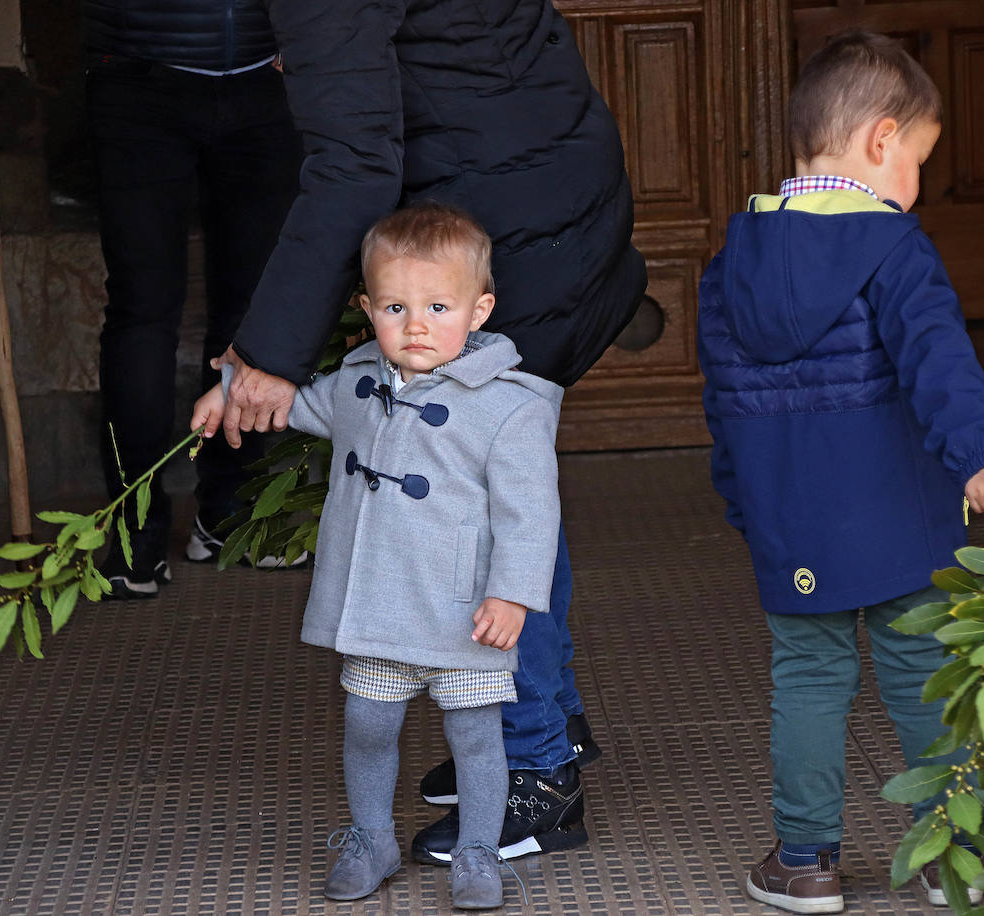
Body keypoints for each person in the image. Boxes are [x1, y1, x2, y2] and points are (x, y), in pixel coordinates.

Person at [208, 0, 648, 859]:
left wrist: (268, 354)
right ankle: (547, 721)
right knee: (506, 487)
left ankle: (535, 773)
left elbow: (354, 167)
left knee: (479, 508)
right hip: (558, 187)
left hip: (495, 245)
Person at [696, 31, 984, 914]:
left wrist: (745, 505)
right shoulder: (895, 247)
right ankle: (951, 853)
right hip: (904, 520)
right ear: (883, 141)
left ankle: (805, 861)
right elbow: (939, 362)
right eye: (920, 159)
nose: (917, 182)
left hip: (791, 521)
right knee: (923, 676)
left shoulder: (729, 267)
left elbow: (724, 406)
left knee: (808, 678)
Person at [192, 202, 561, 908]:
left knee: (477, 736)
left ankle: (479, 852)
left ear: (480, 310)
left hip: (465, 611)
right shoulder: (360, 381)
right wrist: (233, 390)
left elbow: (531, 514)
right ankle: (372, 837)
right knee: (367, 723)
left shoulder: (511, 407)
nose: (415, 324)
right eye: (395, 306)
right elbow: (292, 404)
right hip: (379, 601)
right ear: (367, 309)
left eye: (438, 306)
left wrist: (512, 595)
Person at [83, 0, 303, 597]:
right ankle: (136, 538)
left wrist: (309, 42)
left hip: (264, 82)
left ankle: (229, 513)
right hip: (139, 81)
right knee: (142, 310)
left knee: (252, 309)